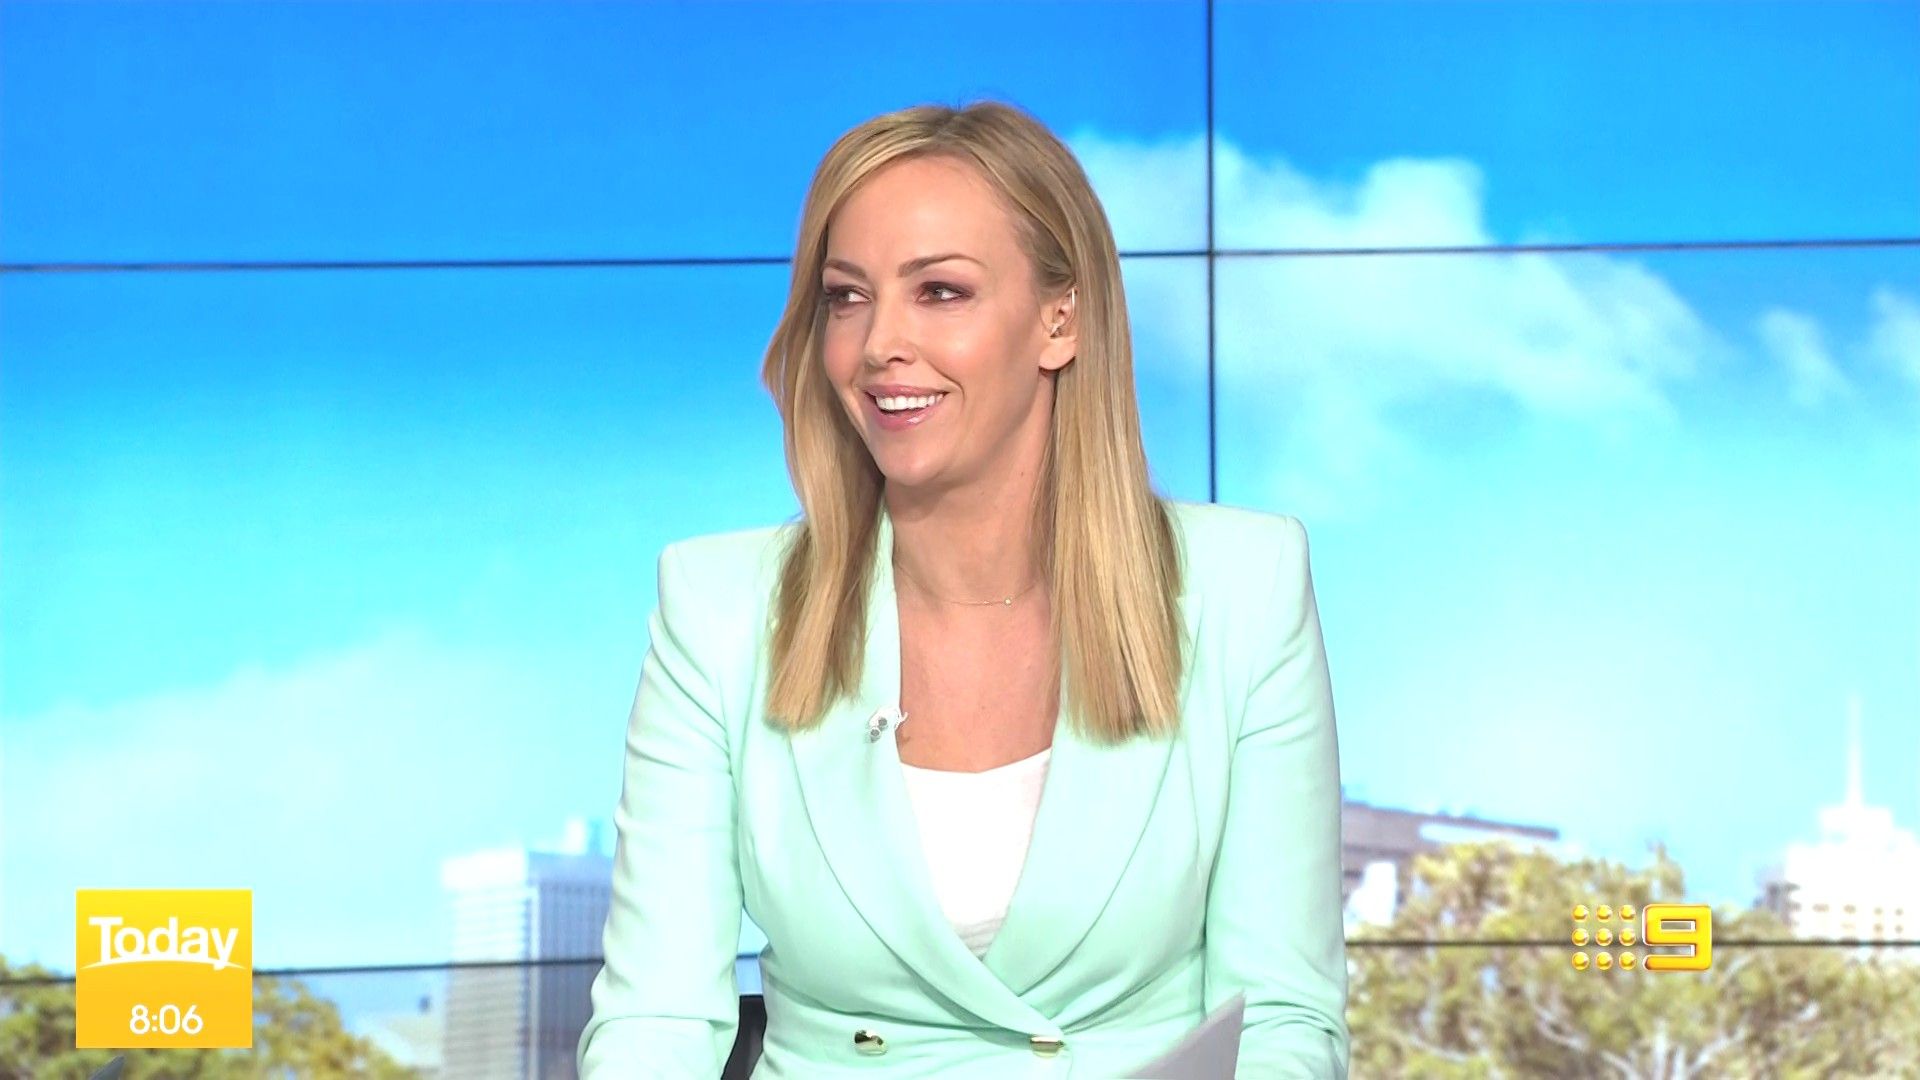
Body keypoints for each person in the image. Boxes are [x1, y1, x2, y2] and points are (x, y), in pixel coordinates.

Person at [577, 99, 1349, 1078]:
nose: (879, 344)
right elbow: (654, 1023)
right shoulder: (717, 609)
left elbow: (1284, 1021)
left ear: (1060, 322)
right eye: (846, 298)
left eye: (939, 291)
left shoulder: (1245, 588)